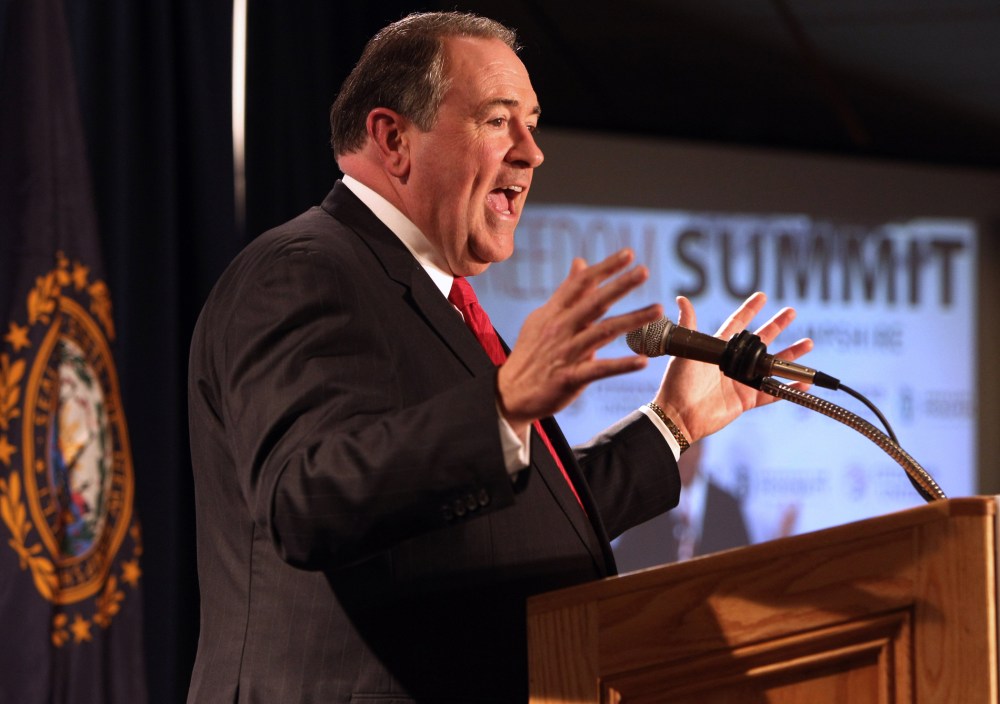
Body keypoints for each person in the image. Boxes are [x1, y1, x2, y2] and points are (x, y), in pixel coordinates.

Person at [186, 11, 813, 703]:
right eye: (497, 120)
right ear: (394, 139)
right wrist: (502, 402)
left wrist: (673, 424)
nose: (532, 152)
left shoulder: (436, 301)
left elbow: (516, 521)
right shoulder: (301, 270)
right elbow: (306, 499)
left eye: (533, 122)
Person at [612, 441, 751, 571]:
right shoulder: (650, 502)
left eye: (688, 448)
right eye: (676, 449)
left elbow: (741, 561)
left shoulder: (725, 506)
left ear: (701, 450)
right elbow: (627, 559)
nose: (682, 457)